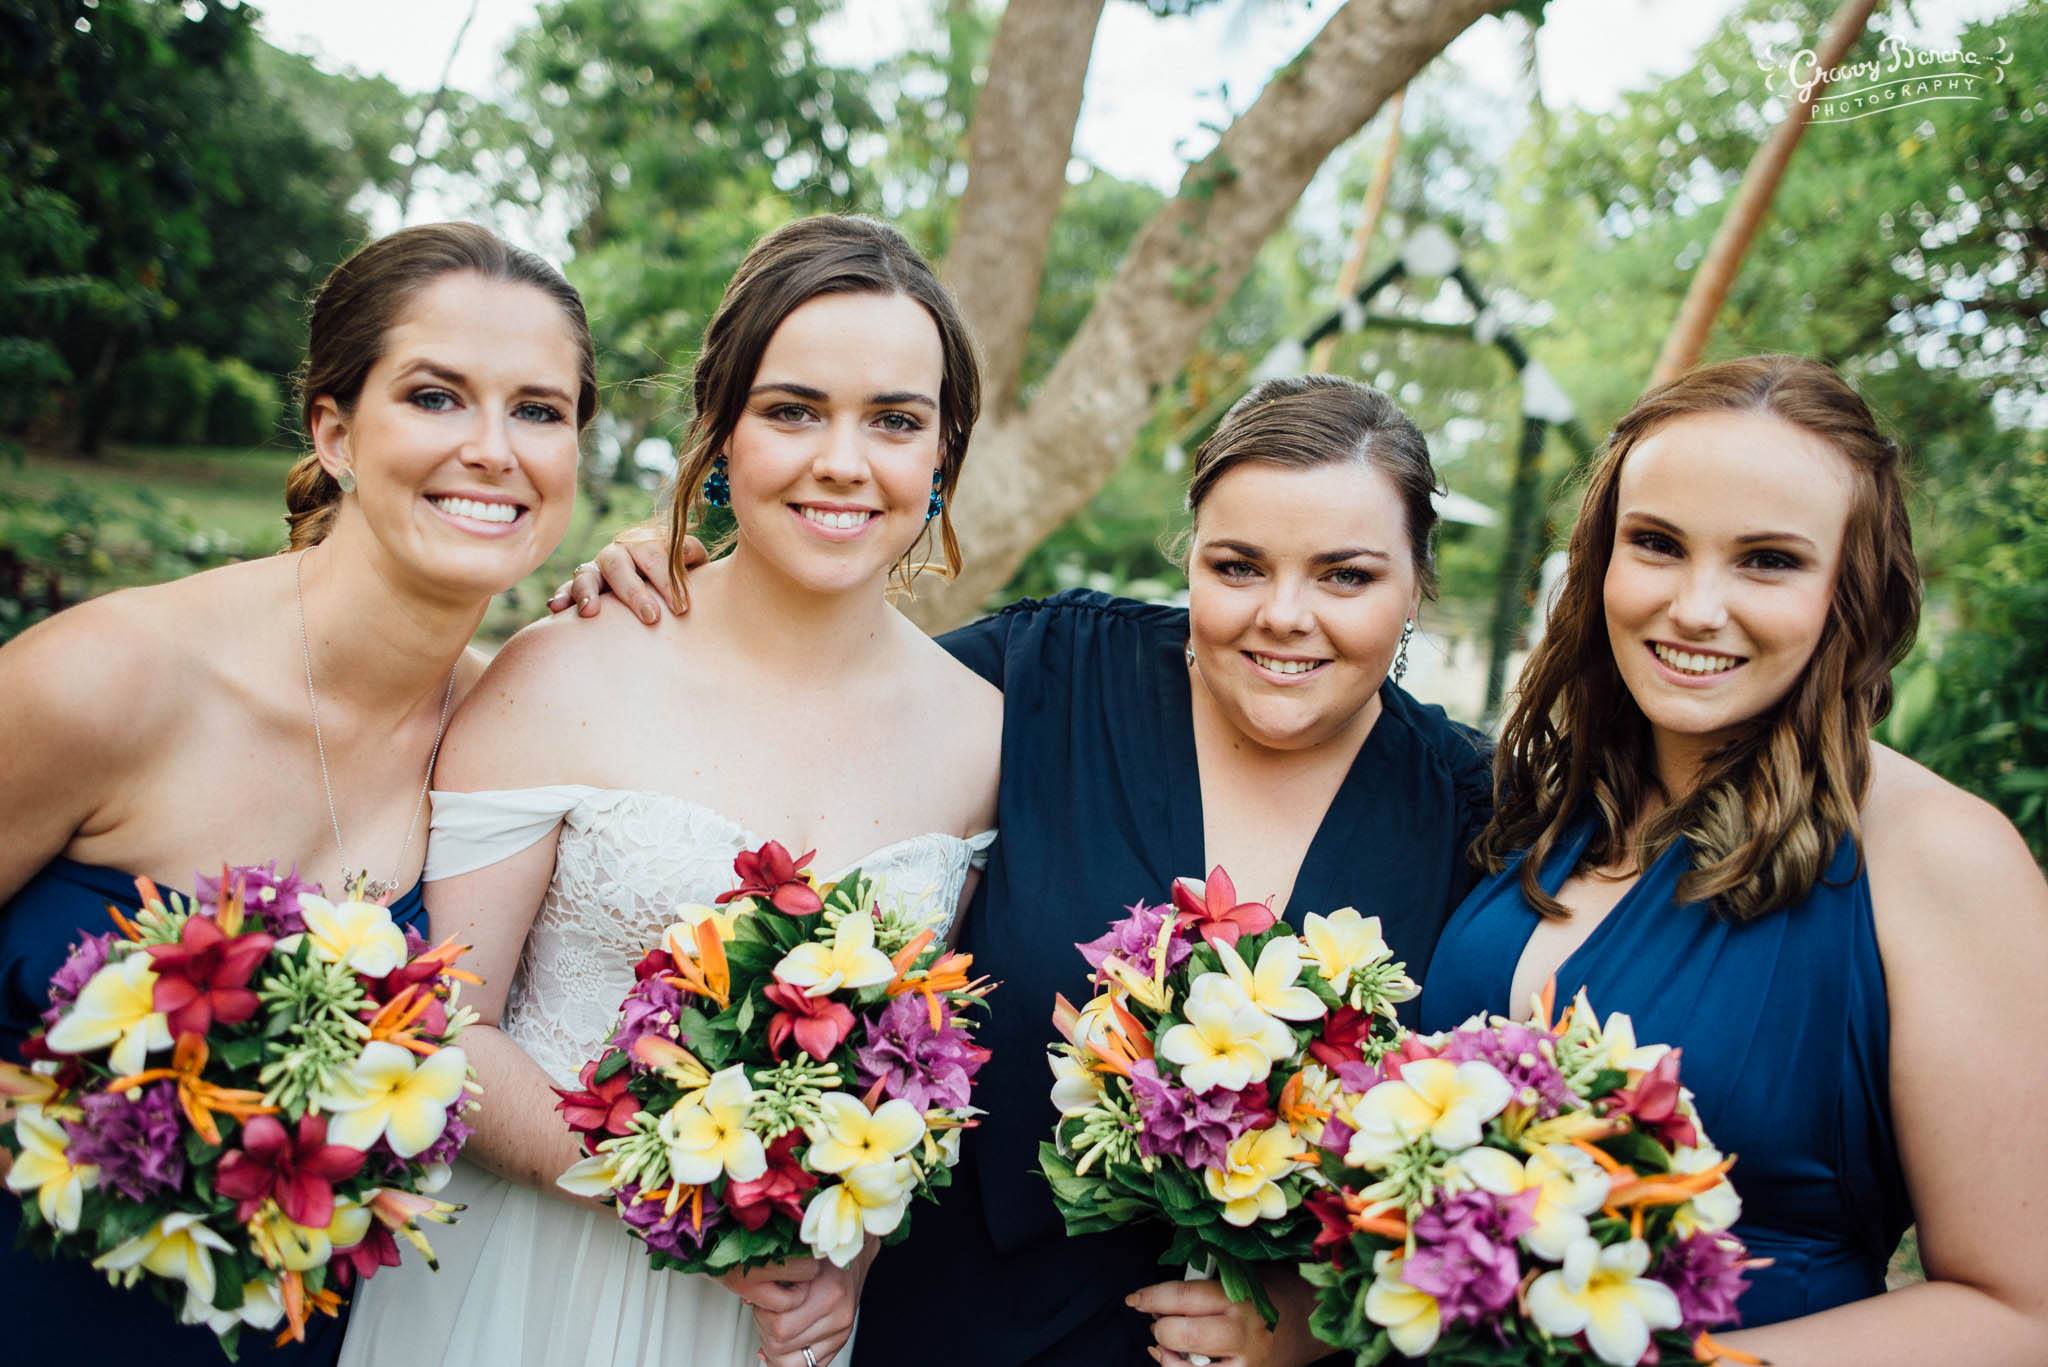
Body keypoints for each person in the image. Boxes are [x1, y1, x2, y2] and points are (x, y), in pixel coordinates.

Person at [566, 373, 1494, 1366]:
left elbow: (1481, 1157)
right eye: (1237, 566)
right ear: (1189, 557)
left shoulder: (1471, 810)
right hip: (955, 1322)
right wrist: (689, 583)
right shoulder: (1048, 672)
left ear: (1415, 582)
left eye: (1345, 576)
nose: (1282, 614)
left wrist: (1318, 1314)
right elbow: (817, 681)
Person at [338, 214, 1001, 1367]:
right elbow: (442, 1019)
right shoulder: (567, 668)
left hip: (774, 1327)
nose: (842, 460)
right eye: (792, 410)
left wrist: (847, 1256)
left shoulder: (981, 732)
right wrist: (682, 1194)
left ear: (940, 453)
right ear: (723, 431)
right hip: (529, 1282)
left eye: (892, 420)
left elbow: (914, 1071)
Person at [0, 221, 598, 1362]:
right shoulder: (109, 680)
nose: (492, 448)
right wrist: (117, 1133)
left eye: (538, 410)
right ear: (333, 429)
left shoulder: (508, 745)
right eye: (434, 396)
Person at [1419, 355, 2048, 1361]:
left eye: (1766, 559)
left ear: (1850, 585)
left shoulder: (1939, 855)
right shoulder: (1542, 805)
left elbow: (2020, 1310)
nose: (1695, 606)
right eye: (1656, 544)